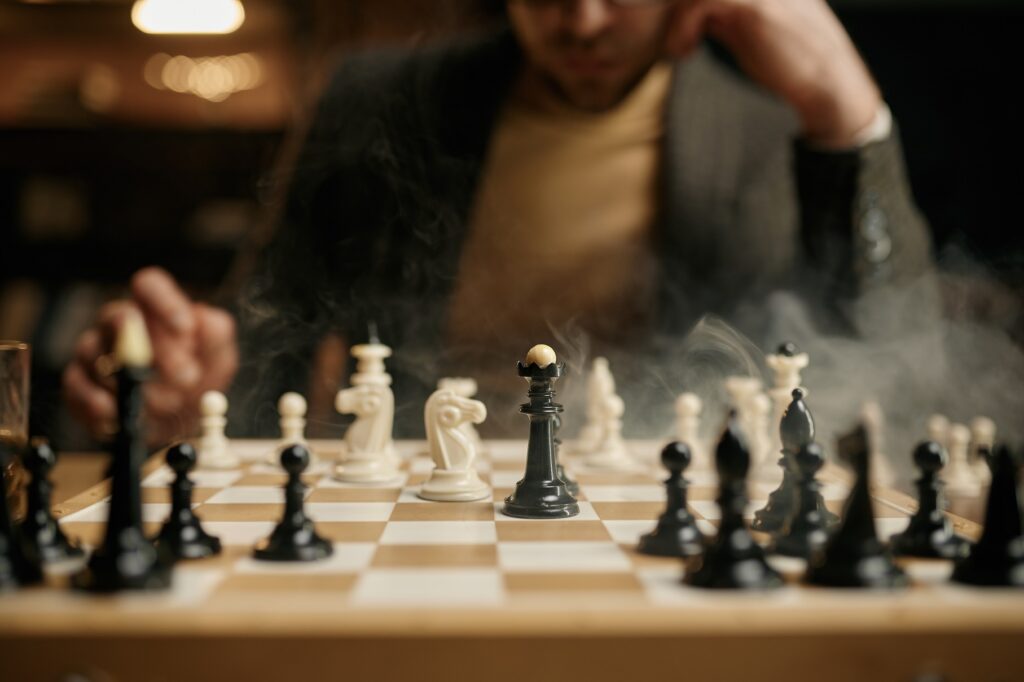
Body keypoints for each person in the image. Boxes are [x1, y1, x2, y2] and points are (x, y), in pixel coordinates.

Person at [63, 0, 934, 441]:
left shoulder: (775, 118)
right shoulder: (379, 99)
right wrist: (191, 372)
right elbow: (265, 324)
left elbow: (900, 349)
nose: (581, 21)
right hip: (416, 518)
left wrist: (844, 107)